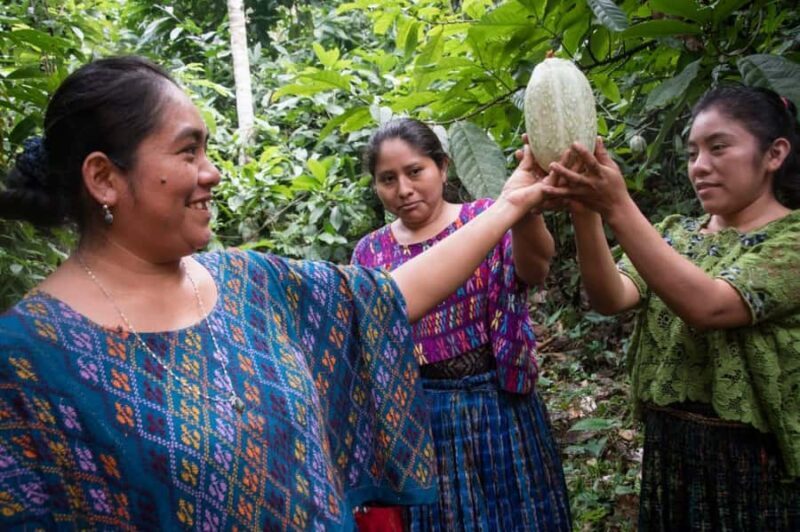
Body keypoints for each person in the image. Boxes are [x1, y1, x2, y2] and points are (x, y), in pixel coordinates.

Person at [0, 57, 552, 530]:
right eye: (188, 152)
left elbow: (388, 296)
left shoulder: (246, 282)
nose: (212, 173)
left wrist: (510, 205)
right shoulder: (28, 359)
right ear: (103, 178)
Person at [545, 85, 800, 530]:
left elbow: (712, 307)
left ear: (774, 154)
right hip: (673, 450)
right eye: (692, 153)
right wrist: (586, 210)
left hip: (755, 463)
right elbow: (611, 297)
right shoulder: (675, 235)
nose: (699, 167)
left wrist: (617, 205)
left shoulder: (792, 241)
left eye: (718, 147)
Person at [351, 118, 572, 531]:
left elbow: (536, 266)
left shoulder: (485, 218)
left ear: (443, 167)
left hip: (501, 406)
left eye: (415, 171)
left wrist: (520, 205)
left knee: (520, 518)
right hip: (423, 421)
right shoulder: (370, 252)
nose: (403, 189)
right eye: (387, 179)